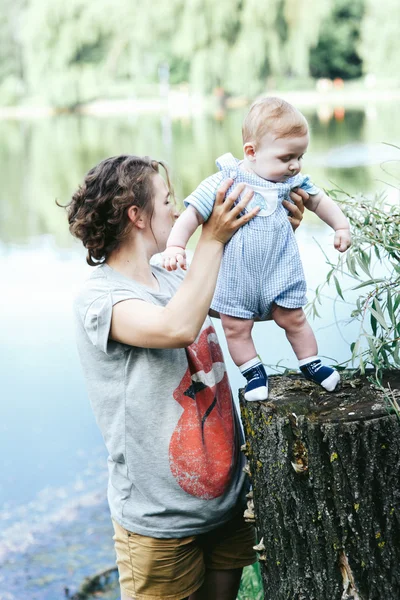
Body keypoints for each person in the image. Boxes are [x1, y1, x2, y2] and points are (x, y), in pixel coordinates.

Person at [65, 154, 307, 600]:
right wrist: (211, 237)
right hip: (160, 524)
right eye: (167, 201)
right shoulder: (100, 298)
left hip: (224, 507)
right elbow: (176, 327)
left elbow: (243, 301)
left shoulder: (172, 276)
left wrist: (273, 234)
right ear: (136, 216)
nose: (178, 212)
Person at [163, 97, 352, 402]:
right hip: (238, 279)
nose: (295, 165)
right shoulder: (226, 179)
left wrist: (341, 227)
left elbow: (319, 201)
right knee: (236, 328)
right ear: (251, 151)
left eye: (301, 156)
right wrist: (175, 245)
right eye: (287, 157)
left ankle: (311, 362)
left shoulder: (290, 181)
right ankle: (253, 373)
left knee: (295, 318)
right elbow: (193, 213)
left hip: (280, 272)